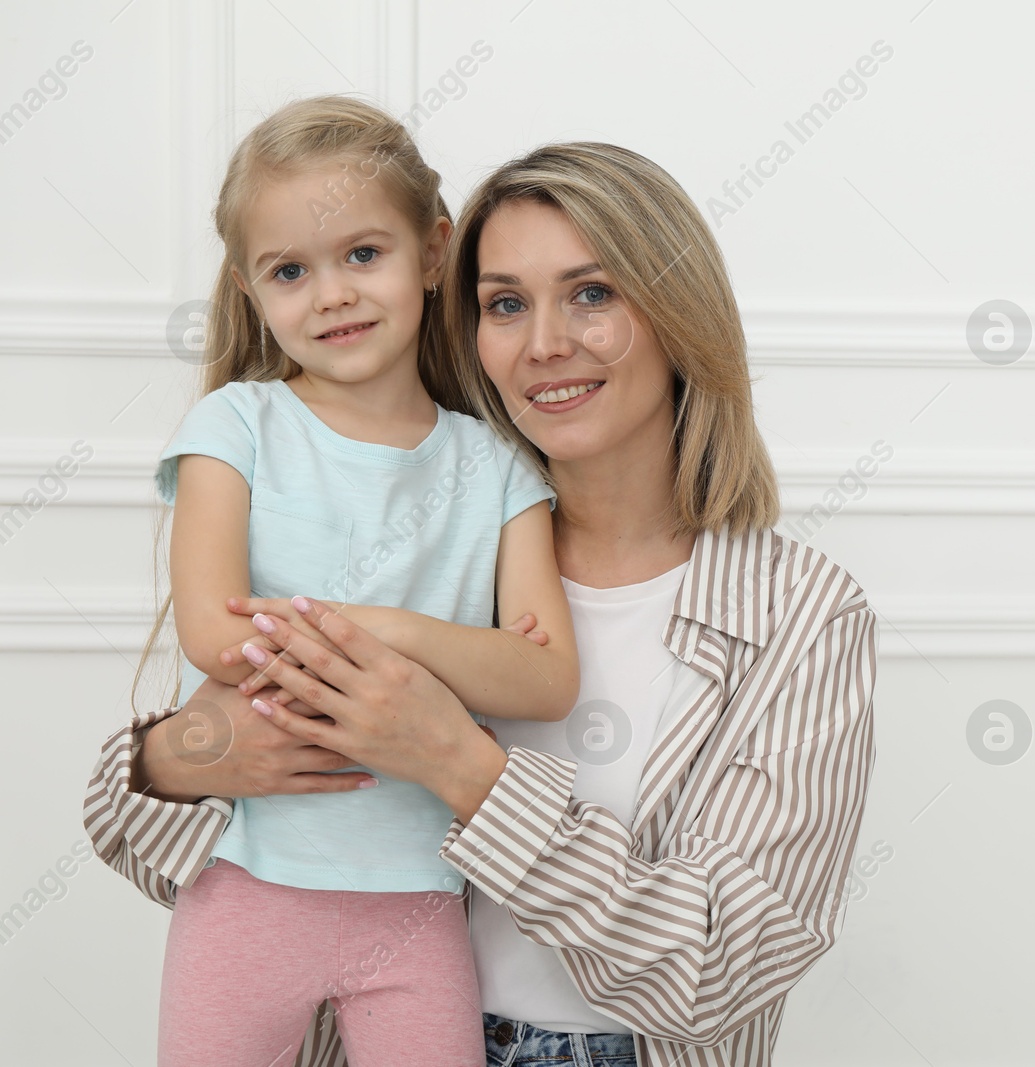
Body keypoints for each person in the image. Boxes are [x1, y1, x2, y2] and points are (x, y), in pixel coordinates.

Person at [85, 136, 878, 1067]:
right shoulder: (418, 519)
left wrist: (461, 766)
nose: (545, 343)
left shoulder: (798, 613)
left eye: (593, 293)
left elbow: (722, 967)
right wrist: (189, 753)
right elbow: (132, 837)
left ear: (677, 311)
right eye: (506, 303)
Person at [135, 95, 580, 1066]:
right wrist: (461, 658)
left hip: (418, 900)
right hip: (250, 891)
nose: (329, 293)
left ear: (432, 251)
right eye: (290, 270)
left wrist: (388, 630)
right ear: (252, 291)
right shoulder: (235, 429)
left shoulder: (499, 466)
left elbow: (545, 677)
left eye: (362, 254)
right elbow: (216, 634)